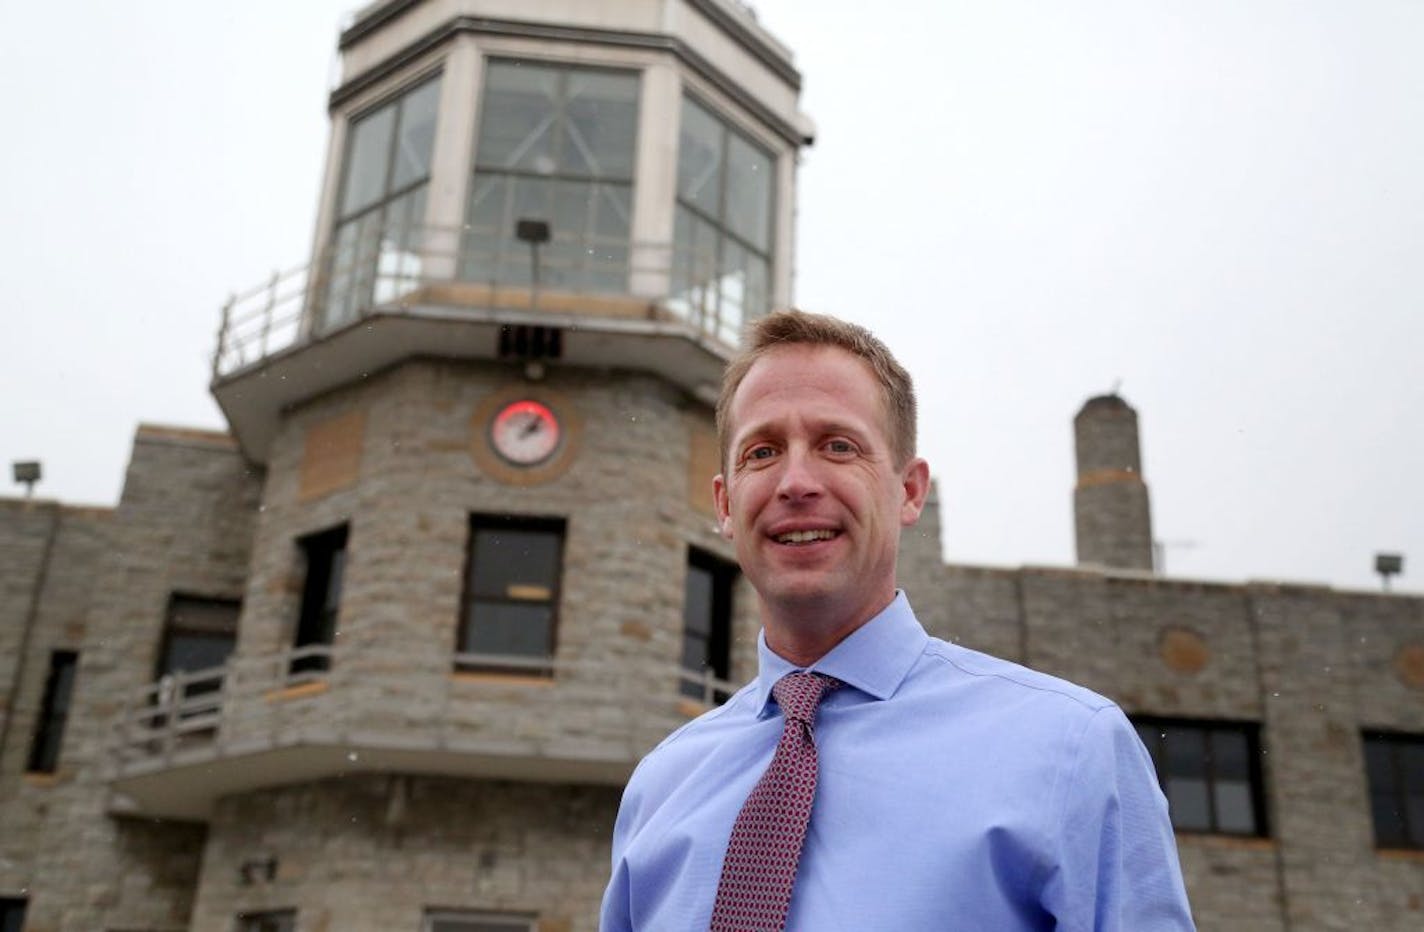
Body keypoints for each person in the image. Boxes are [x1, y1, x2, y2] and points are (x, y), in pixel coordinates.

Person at [600, 310, 1195, 930]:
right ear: (725, 504)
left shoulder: (1073, 753)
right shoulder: (659, 789)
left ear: (909, 492)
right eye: (763, 451)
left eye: (838, 445)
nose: (795, 482)